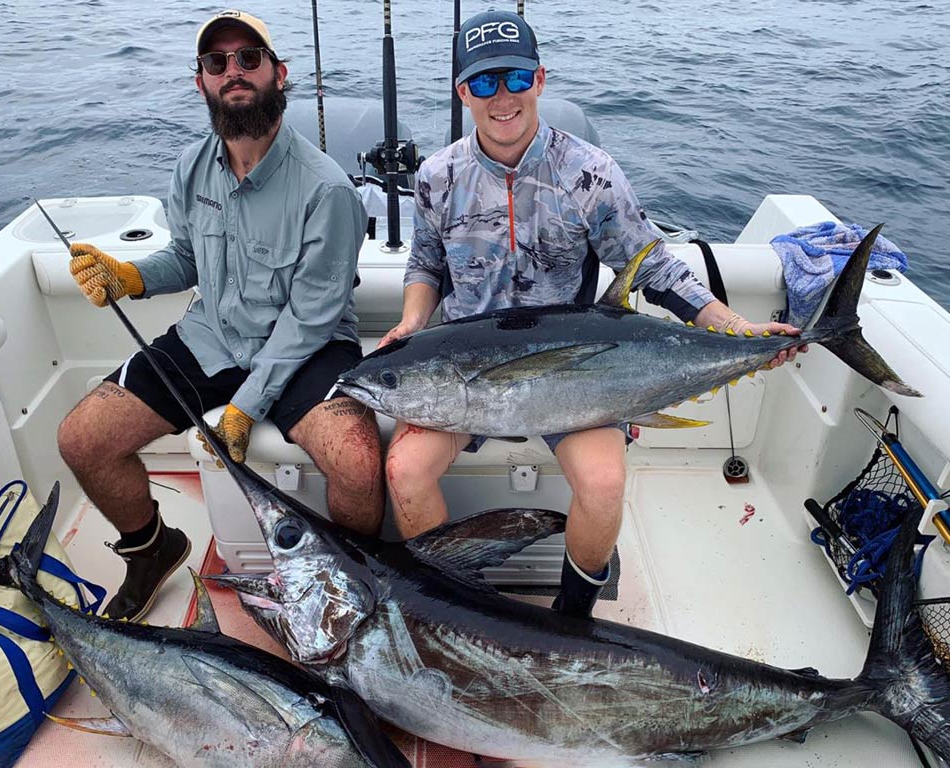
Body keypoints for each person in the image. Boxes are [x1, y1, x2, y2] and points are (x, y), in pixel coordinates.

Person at [381, 9, 805, 618]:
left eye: (515, 78)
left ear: (540, 80)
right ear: (462, 94)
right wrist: (411, 323)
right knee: (405, 469)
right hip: (466, 370)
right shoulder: (438, 177)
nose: (501, 98)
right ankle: (463, 609)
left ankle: (571, 616)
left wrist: (737, 330)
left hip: (576, 372)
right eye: (482, 84)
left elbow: (653, 268)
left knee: (604, 485)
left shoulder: (589, 174)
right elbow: (426, 265)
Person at [57, 10, 384, 622]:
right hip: (212, 336)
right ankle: (151, 550)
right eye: (217, 62)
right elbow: (185, 256)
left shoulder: (328, 189)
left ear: (278, 74)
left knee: (358, 459)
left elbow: (312, 317)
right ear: (201, 82)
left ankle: (353, 583)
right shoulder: (191, 166)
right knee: (83, 439)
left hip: (306, 349)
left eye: (248, 58)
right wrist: (130, 276)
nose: (233, 71)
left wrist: (247, 405)